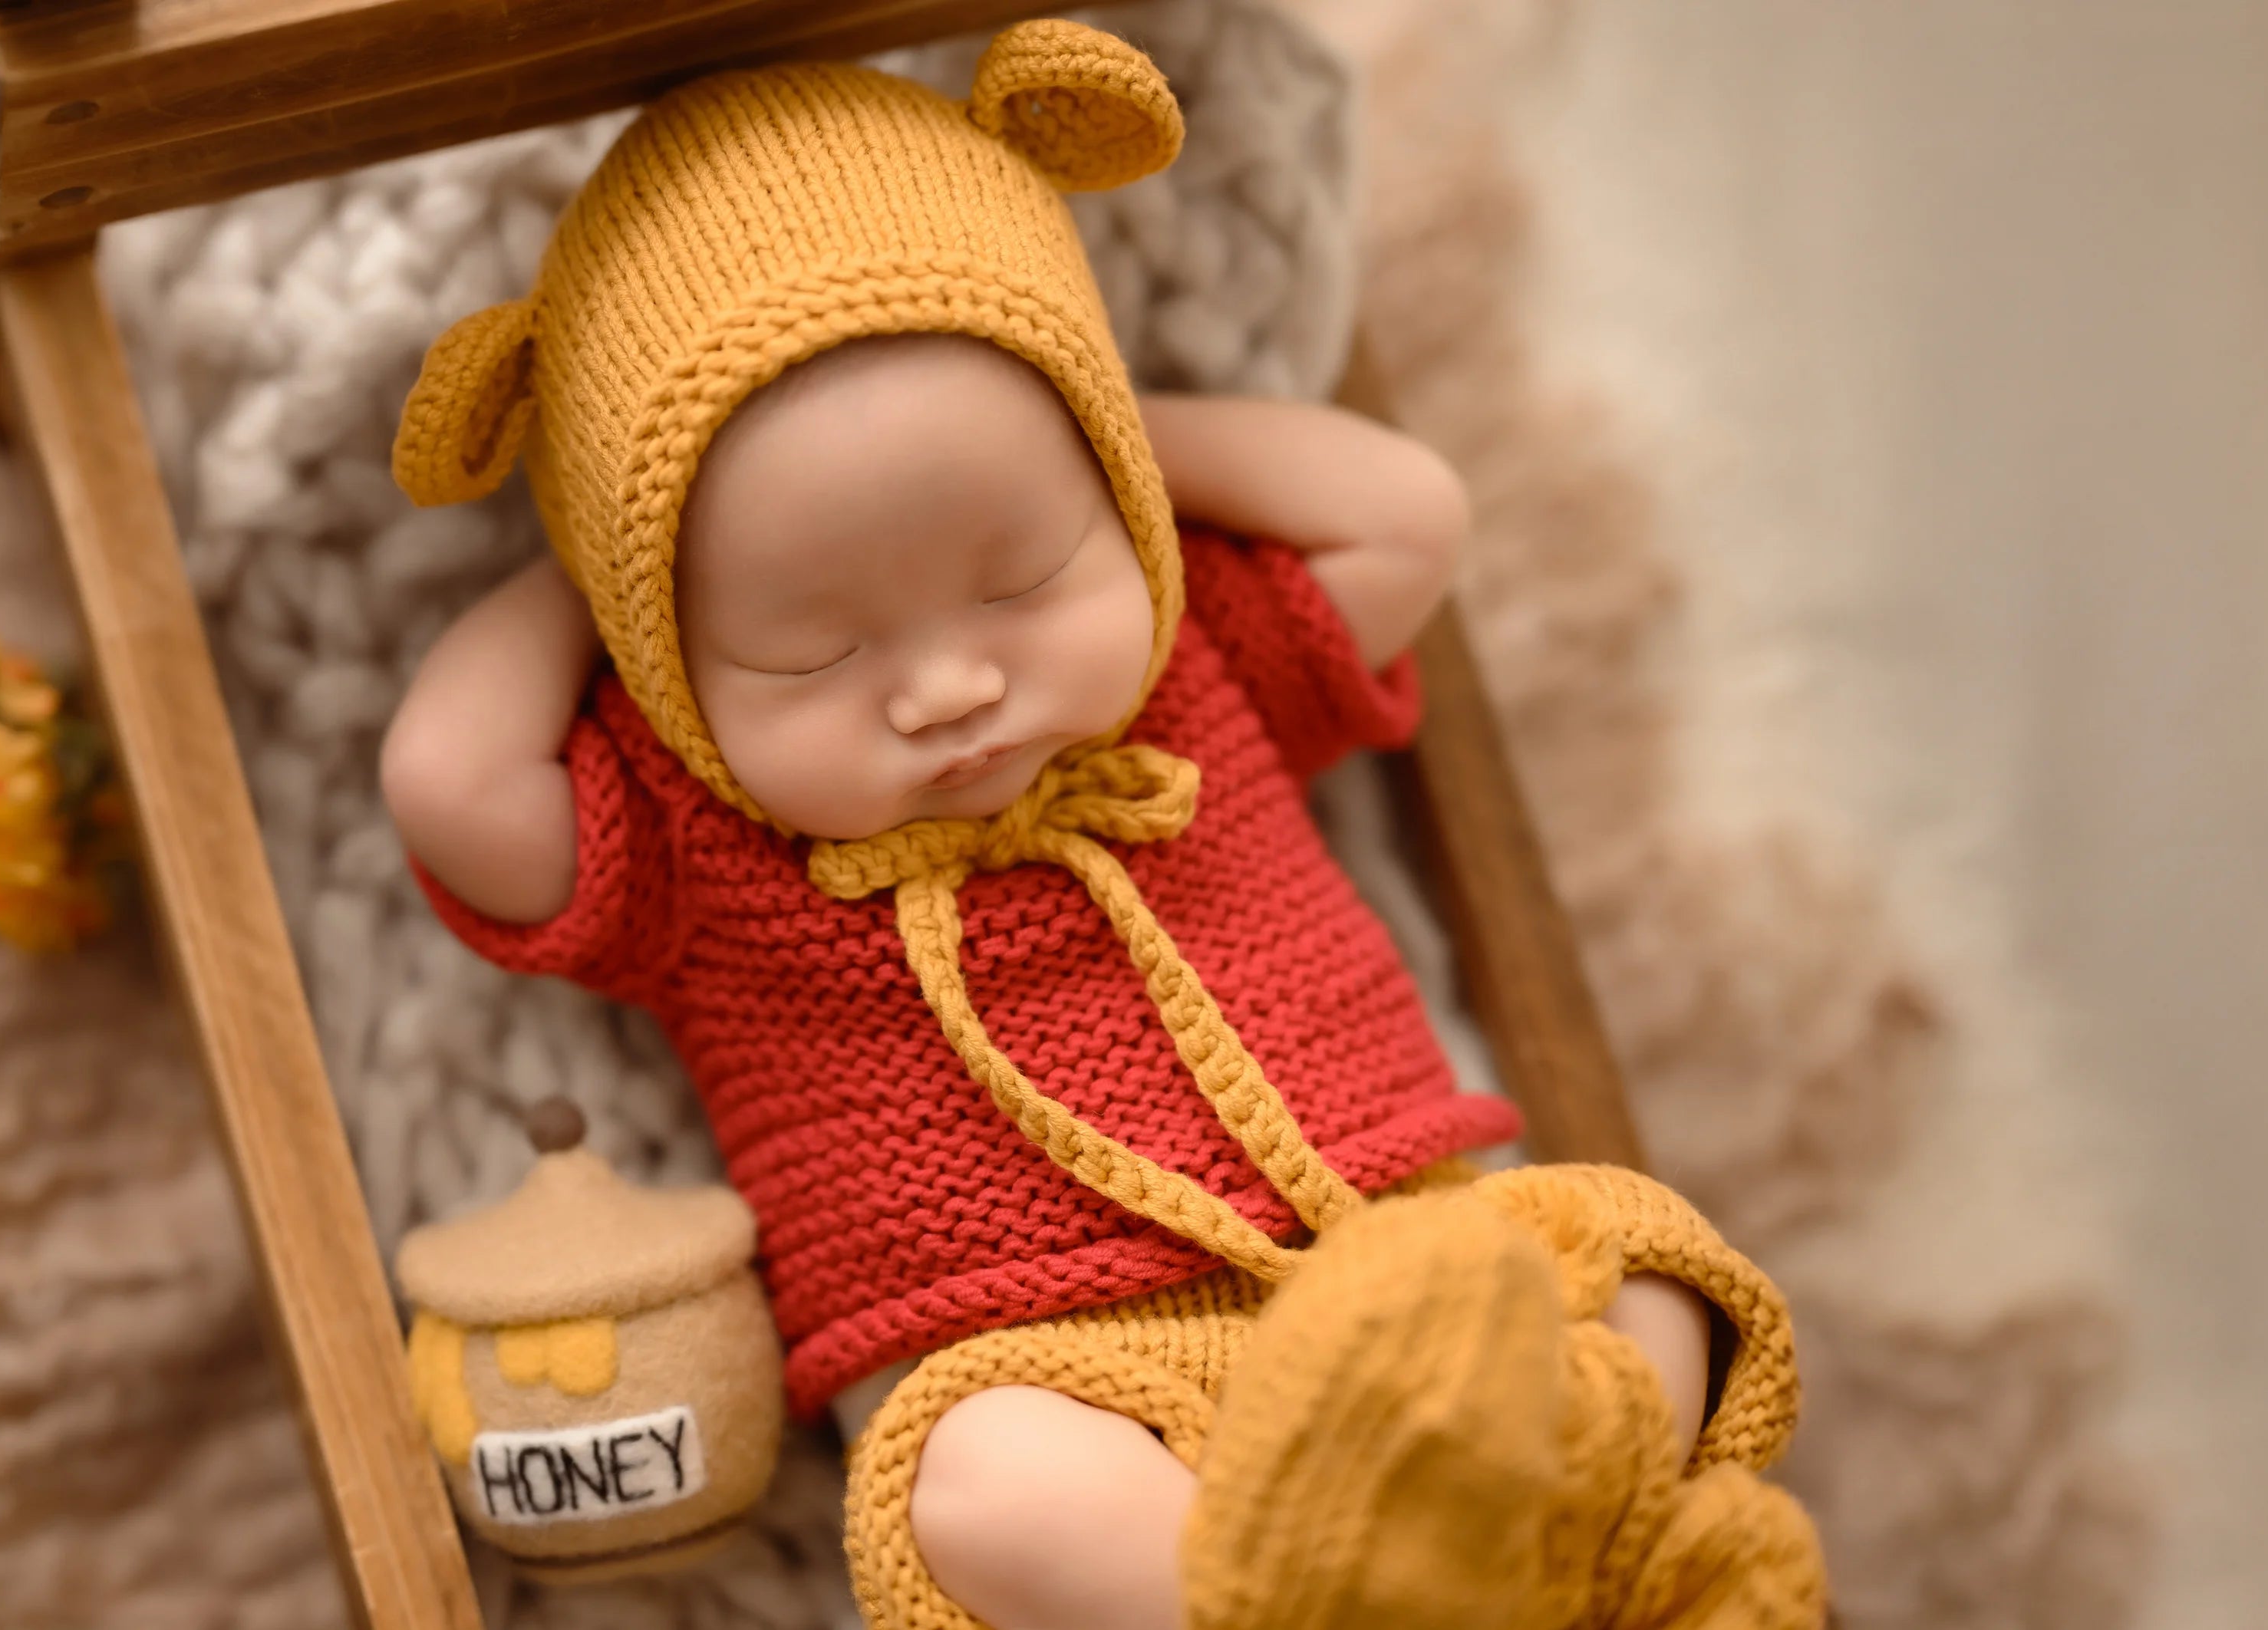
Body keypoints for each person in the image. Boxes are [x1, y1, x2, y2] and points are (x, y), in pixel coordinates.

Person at [381, 22, 1825, 1629]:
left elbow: (1409, 512)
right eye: (811, 650)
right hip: (1046, 1368)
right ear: (658, 657)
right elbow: (448, 779)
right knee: (975, 1487)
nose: (946, 684)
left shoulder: (1194, 657)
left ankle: (1513, 1551)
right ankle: (1296, 1600)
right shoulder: (689, 831)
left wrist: (1124, 438)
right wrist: (604, 551)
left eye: (1020, 575)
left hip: (1397, 1260)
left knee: (1634, 1262)